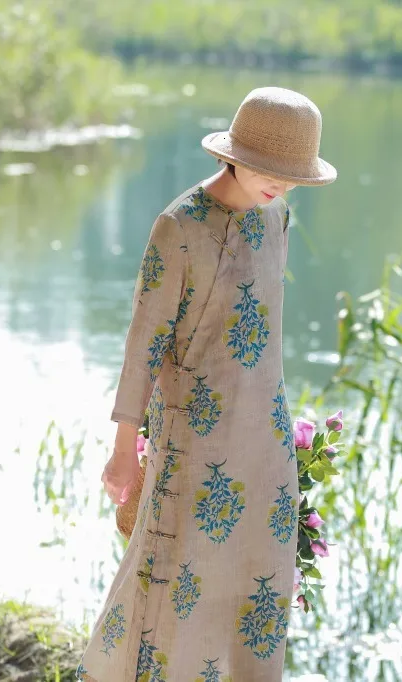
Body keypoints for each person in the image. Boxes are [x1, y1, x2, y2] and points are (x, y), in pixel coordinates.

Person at [78, 86, 337, 682]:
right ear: (234, 154)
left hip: (266, 447)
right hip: (195, 445)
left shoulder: (276, 215)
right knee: (174, 592)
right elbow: (143, 347)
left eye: (292, 176)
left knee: (254, 596)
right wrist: (124, 451)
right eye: (269, 170)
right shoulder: (179, 226)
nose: (280, 185)